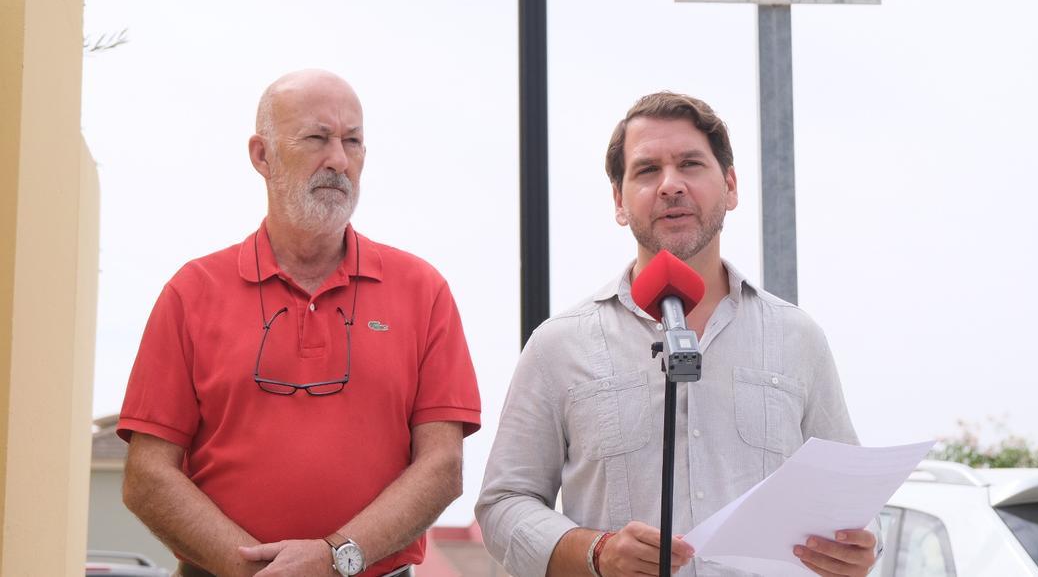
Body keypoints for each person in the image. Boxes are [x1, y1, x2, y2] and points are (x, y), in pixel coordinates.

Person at [476, 92, 878, 577]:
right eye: (647, 171)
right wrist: (595, 552)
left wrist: (859, 548)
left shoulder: (797, 338)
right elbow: (503, 505)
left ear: (729, 186)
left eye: (690, 164)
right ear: (618, 201)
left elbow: (851, 503)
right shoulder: (558, 346)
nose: (671, 185)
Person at [119, 69, 481, 577]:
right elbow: (147, 476)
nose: (338, 159)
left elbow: (442, 468)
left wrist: (337, 557)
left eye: (352, 141)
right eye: (316, 138)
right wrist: (258, 570)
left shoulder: (423, 291)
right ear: (262, 155)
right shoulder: (192, 292)